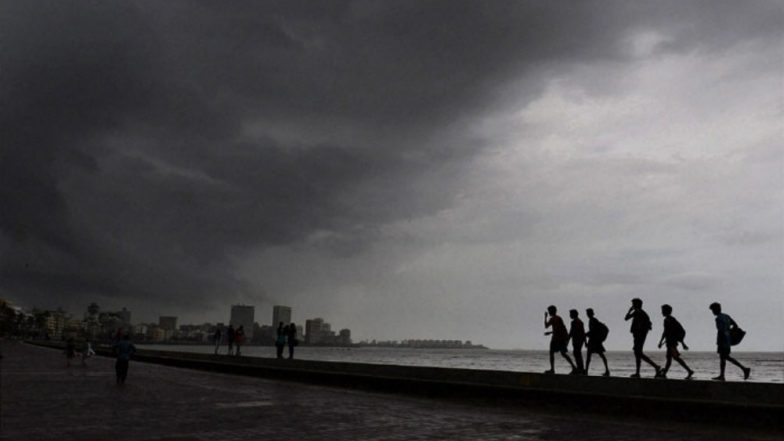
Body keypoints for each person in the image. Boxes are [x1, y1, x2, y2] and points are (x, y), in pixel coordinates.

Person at [709, 302, 750, 381]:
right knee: (723, 358)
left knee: (725, 357)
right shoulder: (726, 316)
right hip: (728, 339)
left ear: (716, 309)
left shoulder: (718, 318)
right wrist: (729, 332)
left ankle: (744, 369)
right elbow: (735, 325)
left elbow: (720, 330)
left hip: (722, 340)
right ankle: (722, 375)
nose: (712, 312)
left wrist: (720, 340)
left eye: (713, 310)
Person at [624, 298, 661, 378]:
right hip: (638, 335)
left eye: (633, 304)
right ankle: (650, 368)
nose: (632, 305)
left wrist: (630, 311)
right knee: (638, 353)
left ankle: (654, 367)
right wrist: (630, 311)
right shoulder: (638, 312)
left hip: (639, 336)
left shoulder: (639, 313)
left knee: (638, 353)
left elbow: (627, 319)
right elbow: (626, 319)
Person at [657, 304, 694, 380]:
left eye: (663, 311)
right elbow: (666, 332)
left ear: (666, 311)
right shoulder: (667, 320)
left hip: (671, 342)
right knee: (670, 358)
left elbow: (677, 330)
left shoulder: (670, 320)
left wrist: (683, 343)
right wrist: (661, 341)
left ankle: (689, 371)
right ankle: (665, 373)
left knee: (675, 358)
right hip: (669, 342)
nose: (662, 312)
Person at [544, 305, 577, 374]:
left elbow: (558, 329)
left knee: (563, 353)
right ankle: (552, 369)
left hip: (560, 339)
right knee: (553, 353)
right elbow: (546, 326)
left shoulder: (558, 318)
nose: (549, 312)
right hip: (556, 338)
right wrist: (545, 317)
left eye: (550, 311)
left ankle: (574, 367)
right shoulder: (552, 319)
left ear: (553, 311)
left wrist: (550, 333)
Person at [584, 308, 610, 376]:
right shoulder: (592, 320)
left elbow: (593, 331)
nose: (587, 314)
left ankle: (586, 371)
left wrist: (586, 334)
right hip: (594, 341)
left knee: (591, 356)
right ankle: (607, 370)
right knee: (600, 355)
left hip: (594, 341)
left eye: (588, 313)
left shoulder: (593, 320)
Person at [567, 309, 586, 375]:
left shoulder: (574, 322)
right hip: (580, 340)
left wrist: (567, 341)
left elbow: (571, 332)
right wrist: (585, 342)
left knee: (576, 354)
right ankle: (581, 369)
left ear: (573, 314)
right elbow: (583, 332)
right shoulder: (580, 322)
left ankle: (579, 369)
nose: (570, 315)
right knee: (578, 354)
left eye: (570, 314)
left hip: (576, 340)